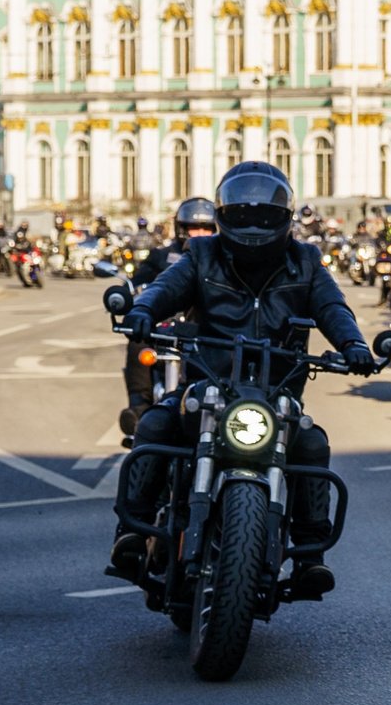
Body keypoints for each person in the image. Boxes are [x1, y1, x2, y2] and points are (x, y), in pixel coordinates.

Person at [112, 163, 376, 601]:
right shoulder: (202, 255)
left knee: (312, 444)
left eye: (265, 215)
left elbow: (332, 307)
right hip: (208, 381)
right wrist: (143, 311)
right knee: (155, 424)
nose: (254, 224)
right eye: (243, 213)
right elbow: (167, 286)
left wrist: (354, 345)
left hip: (277, 391)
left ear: (285, 217)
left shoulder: (305, 261)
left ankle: (310, 556)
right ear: (224, 214)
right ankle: (133, 533)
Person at [119, 196, 217, 435]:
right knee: (138, 342)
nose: (201, 233)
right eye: (195, 228)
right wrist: (133, 296)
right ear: (182, 229)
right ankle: (139, 406)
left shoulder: (221, 261)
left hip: (202, 329)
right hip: (164, 325)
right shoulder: (162, 256)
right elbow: (140, 282)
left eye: (207, 228)